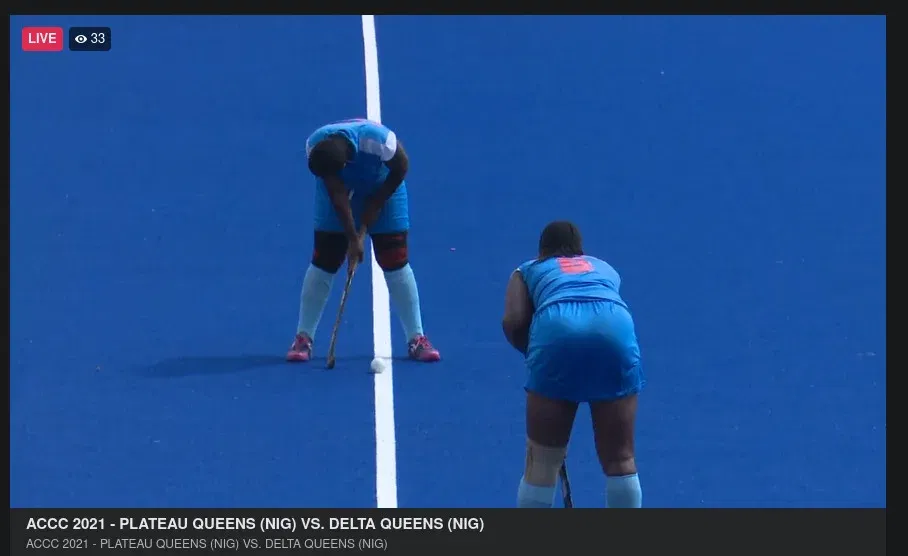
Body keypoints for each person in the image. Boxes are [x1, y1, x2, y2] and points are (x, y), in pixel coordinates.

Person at [502, 221, 645, 508]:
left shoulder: (527, 270)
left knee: (542, 463)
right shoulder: (603, 267)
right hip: (615, 331)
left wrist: (536, 356)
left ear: (542, 252)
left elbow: (513, 321)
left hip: (556, 334)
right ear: (581, 251)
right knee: (621, 458)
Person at [287, 119, 441, 363]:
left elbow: (401, 167)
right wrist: (352, 237)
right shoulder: (316, 146)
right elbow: (337, 194)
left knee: (395, 259)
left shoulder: (379, 141)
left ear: (345, 164)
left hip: (384, 183)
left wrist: (376, 204)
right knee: (325, 259)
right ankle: (303, 337)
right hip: (336, 196)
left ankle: (417, 338)